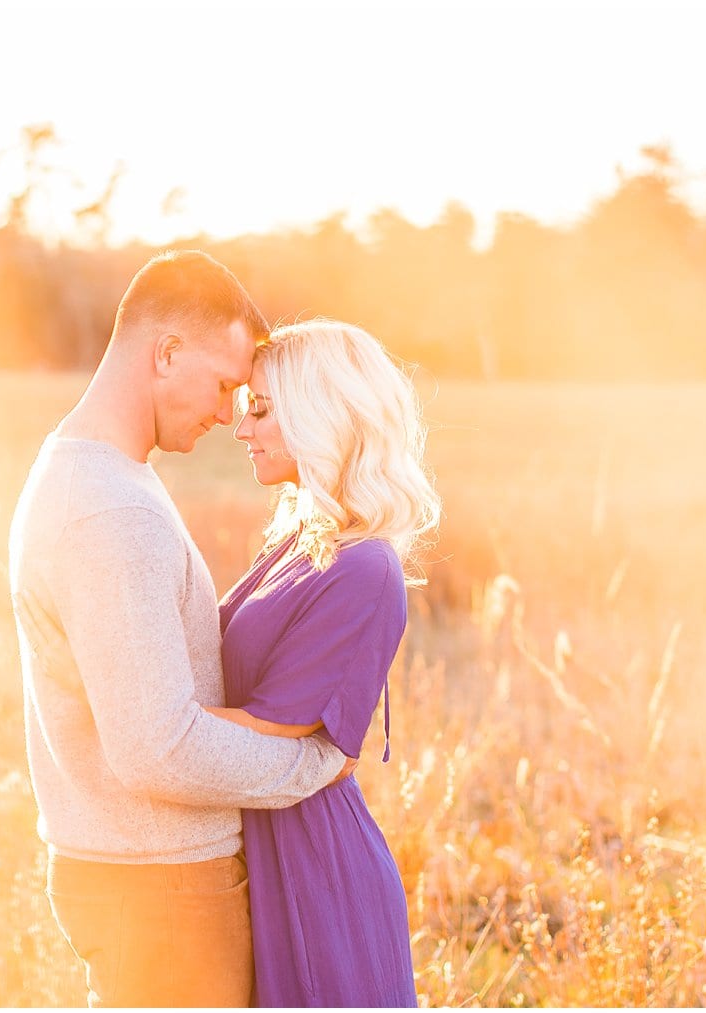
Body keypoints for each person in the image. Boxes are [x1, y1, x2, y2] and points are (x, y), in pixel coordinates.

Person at [7, 251, 354, 1009]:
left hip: (133, 874)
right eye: (227, 383)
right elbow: (155, 745)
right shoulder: (110, 511)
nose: (232, 411)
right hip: (160, 888)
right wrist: (314, 764)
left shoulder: (100, 474)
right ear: (165, 353)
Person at [207, 318, 441, 1007]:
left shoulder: (365, 566)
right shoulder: (301, 540)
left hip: (313, 872)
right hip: (268, 845)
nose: (242, 427)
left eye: (261, 408)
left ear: (318, 413)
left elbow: (272, 723)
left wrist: (134, 718)